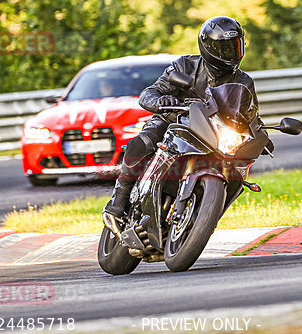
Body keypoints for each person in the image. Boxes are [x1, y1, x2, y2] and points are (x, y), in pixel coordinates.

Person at [103, 16, 264, 218]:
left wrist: (260, 132)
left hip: (214, 133)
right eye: (224, 48)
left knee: (237, 175)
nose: (231, 53)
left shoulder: (244, 81)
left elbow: (250, 113)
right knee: (142, 143)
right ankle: (119, 197)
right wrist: (161, 102)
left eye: (235, 46)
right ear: (209, 48)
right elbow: (149, 93)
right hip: (173, 120)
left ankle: (205, 214)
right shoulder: (186, 65)